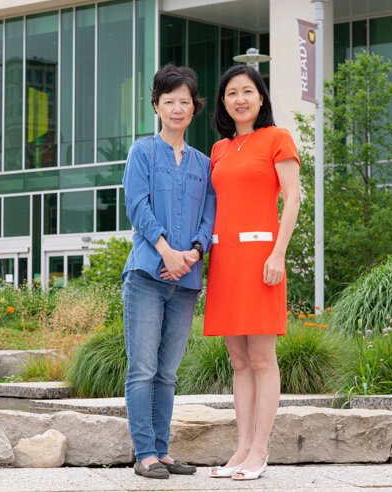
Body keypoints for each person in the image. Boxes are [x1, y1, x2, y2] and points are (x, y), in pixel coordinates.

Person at [204, 64, 301, 481]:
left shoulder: (277, 138)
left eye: (247, 91)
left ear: (261, 98)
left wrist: (278, 253)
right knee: (238, 360)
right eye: (231, 93)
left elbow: (294, 199)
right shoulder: (218, 149)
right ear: (224, 102)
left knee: (262, 358)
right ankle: (241, 449)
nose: (239, 99)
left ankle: (260, 451)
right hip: (225, 260)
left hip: (262, 258)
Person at [122, 63, 216, 480]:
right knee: (142, 367)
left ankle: (163, 449)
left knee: (168, 372)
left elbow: (209, 214)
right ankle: (144, 453)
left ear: (193, 108)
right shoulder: (142, 152)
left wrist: (194, 251)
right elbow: (137, 206)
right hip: (146, 275)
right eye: (169, 101)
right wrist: (165, 250)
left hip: (187, 281)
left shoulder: (202, 162)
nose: (177, 108)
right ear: (157, 105)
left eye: (184, 101)